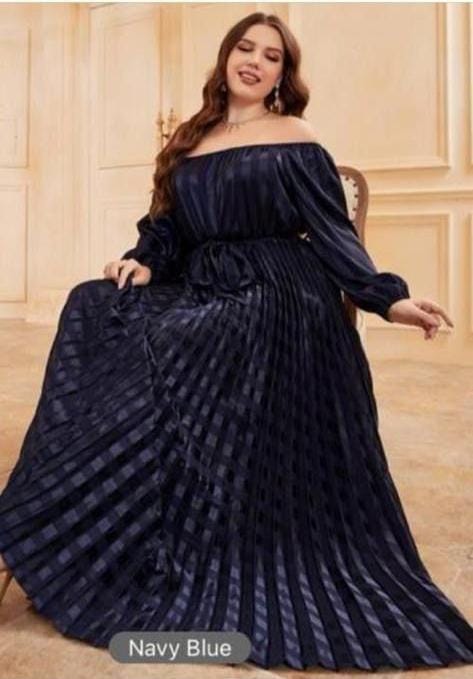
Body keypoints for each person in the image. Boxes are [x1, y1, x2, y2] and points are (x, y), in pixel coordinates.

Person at [0, 11, 472, 672]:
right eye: (245, 48)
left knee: (184, 336)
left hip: (275, 291)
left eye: (271, 56)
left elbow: (332, 233)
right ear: (225, 58)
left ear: (283, 75)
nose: (254, 61)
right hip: (203, 279)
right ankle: (72, 502)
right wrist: (144, 261)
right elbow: (167, 228)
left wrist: (387, 298)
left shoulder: (295, 136)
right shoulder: (191, 137)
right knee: (93, 303)